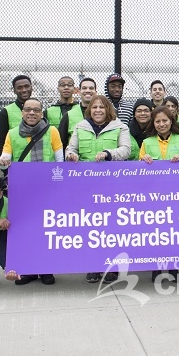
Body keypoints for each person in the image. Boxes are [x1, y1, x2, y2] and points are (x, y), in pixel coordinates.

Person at [65, 95, 131, 285]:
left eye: (102, 107)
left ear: (108, 109)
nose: (98, 110)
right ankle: (93, 265)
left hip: (113, 186)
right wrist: (71, 155)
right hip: (86, 186)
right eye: (94, 107)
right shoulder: (80, 127)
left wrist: (109, 154)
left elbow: (126, 149)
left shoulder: (120, 127)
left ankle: (112, 268)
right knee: (91, 228)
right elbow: (71, 148)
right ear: (89, 109)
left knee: (112, 228)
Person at [0, 97, 62, 286]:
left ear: (42, 113)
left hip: (47, 190)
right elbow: (5, 156)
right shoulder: (12, 133)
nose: (32, 113)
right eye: (28, 109)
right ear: (22, 112)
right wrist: (3, 161)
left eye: (36, 110)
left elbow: (60, 160)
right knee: (26, 231)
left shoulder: (52, 132)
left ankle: (46, 269)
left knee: (47, 230)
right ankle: (28, 270)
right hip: (22, 192)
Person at [139, 106, 179, 282]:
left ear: (171, 121)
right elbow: (138, 169)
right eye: (158, 121)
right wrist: (143, 161)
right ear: (153, 123)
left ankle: (173, 269)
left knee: (174, 233)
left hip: (176, 196)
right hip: (153, 197)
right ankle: (156, 268)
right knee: (156, 233)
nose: (161, 124)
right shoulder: (146, 143)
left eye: (165, 120)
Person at [0, 74, 32, 160]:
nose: (24, 90)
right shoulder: (6, 112)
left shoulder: (40, 110)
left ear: (31, 88)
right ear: (14, 91)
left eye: (26, 86)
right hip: (15, 166)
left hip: (39, 165)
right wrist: (5, 169)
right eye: (19, 87)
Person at [58, 77, 97, 149]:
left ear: (96, 92)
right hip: (75, 159)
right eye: (84, 88)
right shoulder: (68, 115)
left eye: (91, 88)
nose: (88, 91)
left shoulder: (104, 114)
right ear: (79, 91)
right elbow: (62, 143)